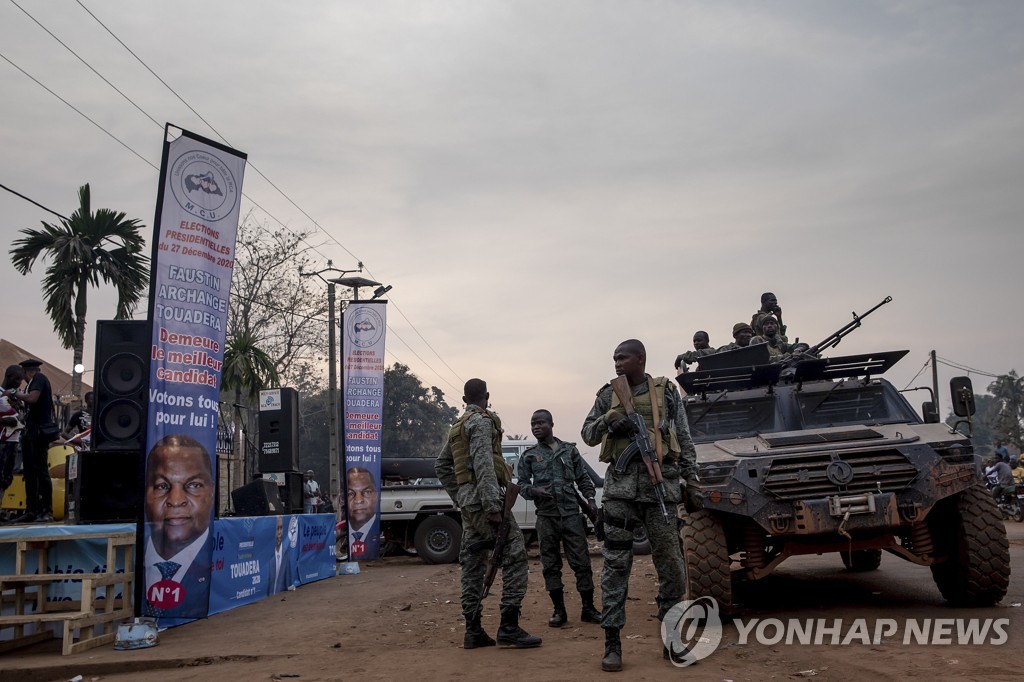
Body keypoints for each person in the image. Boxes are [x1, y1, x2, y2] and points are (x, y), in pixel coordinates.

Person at [581, 339, 698, 672]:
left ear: (640, 359)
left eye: (623, 357)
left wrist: (692, 480)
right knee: (616, 568)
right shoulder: (607, 394)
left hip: (660, 489)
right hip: (619, 494)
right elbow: (588, 434)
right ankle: (612, 644)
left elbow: (684, 437)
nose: (617, 362)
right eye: (614, 357)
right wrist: (610, 419)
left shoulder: (666, 392)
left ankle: (672, 638)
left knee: (672, 567)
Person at [435, 378, 541, 650]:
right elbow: (483, 463)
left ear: (464, 400)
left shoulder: (457, 426)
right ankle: (508, 627)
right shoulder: (482, 422)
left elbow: (442, 466)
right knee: (515, 555)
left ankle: (473, 631)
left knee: (472, 562)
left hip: (471, 505)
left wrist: (460, 496)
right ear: (487, 396)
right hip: (486, 503)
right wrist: (493, 507)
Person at [518, 409, 600, 628]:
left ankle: (588, 609)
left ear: (551, 424)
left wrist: (591, 500)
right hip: (546, 517)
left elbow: (583, 479)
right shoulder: (529, 456)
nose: (536, 427)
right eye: (533, 423)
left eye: (541, 422)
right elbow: (521, 485)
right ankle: (559, 611)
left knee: (581, 562)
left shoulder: (569, 451)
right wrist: (535, 491)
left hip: (572, 515)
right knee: (550, 564)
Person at [143, 434, 215, 617]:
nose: (175, 501)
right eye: (161, 486)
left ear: (212, 493)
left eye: (193, 485)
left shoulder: (217, 562)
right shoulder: (131, 556)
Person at [7, 359, 56, 524]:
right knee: (29, 473)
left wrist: (13, 393)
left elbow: (33, 398)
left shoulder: (39, 379)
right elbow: (30, 406)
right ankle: (31, 510)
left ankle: (46, 511)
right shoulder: (30, 384)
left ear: (27, 371)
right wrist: (17, 403)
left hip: (38, 434)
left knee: (41, 471)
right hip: (29, 433)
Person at [0, 365, 25, 496]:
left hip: (13, 442)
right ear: (8, 377)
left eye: (20, 380)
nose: (19, 383)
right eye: (16, 379)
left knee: (6, 478)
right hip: (1, 442)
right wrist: (3, 421)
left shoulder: (15, 396)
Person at [346, 466, 379, 559]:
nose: (358, 500)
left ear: (376, 496)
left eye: (367, 492)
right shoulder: (344, 534)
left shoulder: (377, 531)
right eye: (350, 493)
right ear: (342, 499)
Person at [267, 515, 294, 595]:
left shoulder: (286, 554)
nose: (279, 533)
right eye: (277, 529)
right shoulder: (269, 556)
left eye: (281, 528)